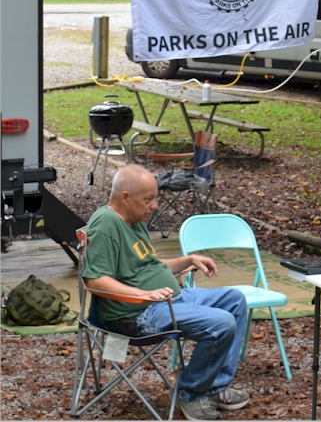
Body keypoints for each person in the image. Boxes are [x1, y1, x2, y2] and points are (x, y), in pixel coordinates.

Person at [81, 164, 251, 421]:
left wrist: (188, 259)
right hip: (136, 315)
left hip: (168, 300)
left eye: (156, 198)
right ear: (125, 197)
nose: (155, 206)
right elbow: (94, 281)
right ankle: (190, 394)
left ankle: (214, 388)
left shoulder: (133, 219)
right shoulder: (106, 225)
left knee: (234, 301)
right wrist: (142, 295)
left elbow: (151, 266)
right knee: (221, 323)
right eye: (148, 199)